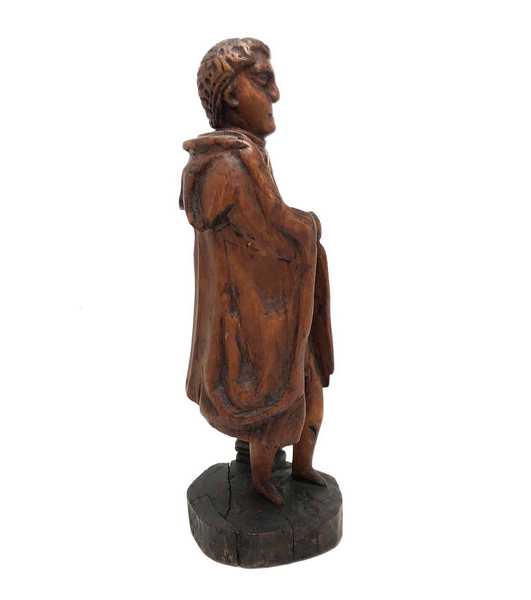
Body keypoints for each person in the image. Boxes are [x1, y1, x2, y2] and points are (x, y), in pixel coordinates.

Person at [180, 38, 333, 505]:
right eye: (263, 81)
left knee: (309, 395)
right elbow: (276, 232)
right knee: (271, 412)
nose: (275, 95)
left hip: (278, 317)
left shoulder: (243, 156)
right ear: (231, 94)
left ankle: (300, 468)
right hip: (256, 330)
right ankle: (262, 483)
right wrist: (309, 226)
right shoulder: (231, 165)